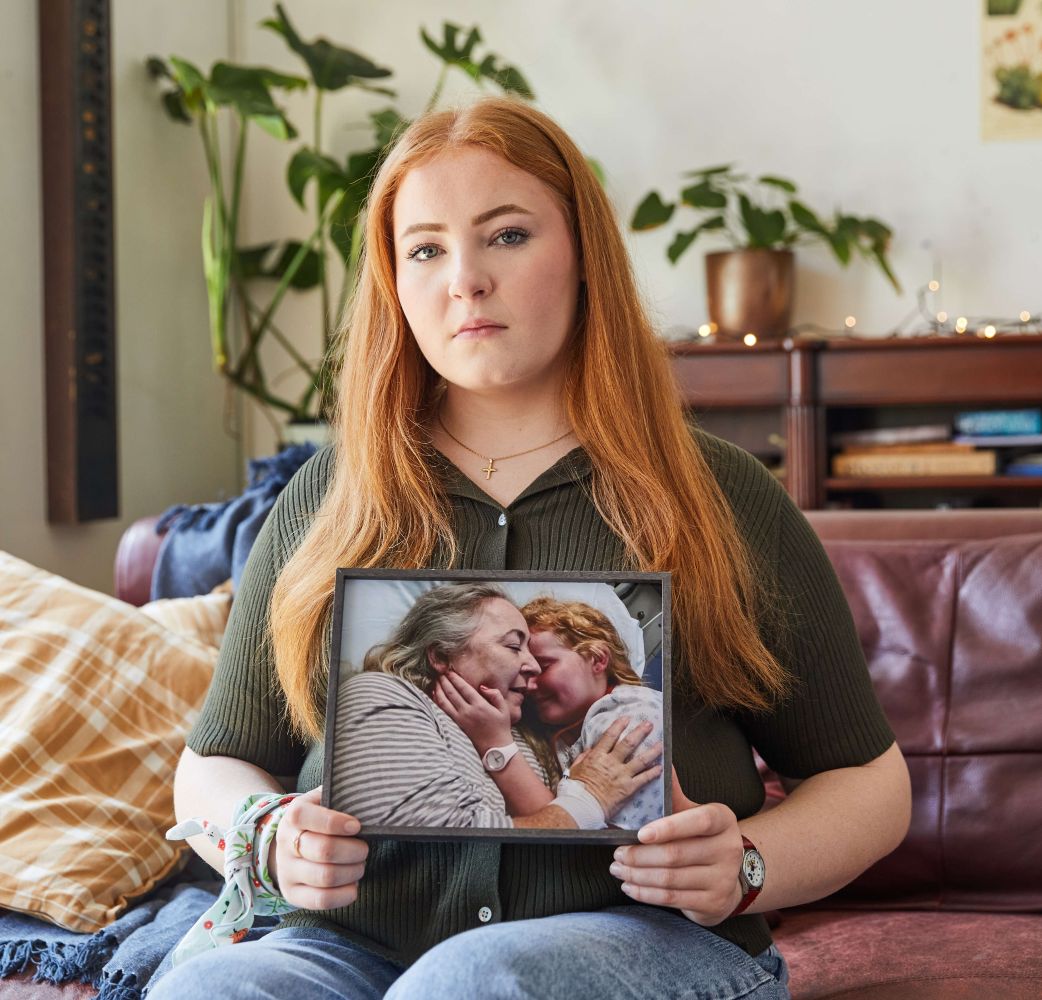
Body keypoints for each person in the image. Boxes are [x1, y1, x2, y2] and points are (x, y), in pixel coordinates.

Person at [153, 94, 911, 1000]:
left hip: (642, 943)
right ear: (394, 283)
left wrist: (747, 864)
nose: (464, 279)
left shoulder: (722, 495)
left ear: (585, 257)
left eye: (506, 236)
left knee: (473, 983)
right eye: (426, 247)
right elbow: (213, 765)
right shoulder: (328, 494)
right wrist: (270, 834)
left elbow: (868, 782)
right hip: (346, 945)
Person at [331, 582, 661, 829]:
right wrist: (590, 801)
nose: (532, 668)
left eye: (536, 656)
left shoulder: (527, 728)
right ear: (442, 654)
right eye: (514, 646)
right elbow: (450, 841)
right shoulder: (383, 693)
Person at [432, 595, 665, 830]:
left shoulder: (628, 718)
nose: (530, 685)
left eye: (544, 666)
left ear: (597, 659)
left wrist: (493, 741)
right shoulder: (567, 725)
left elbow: (566, 832)